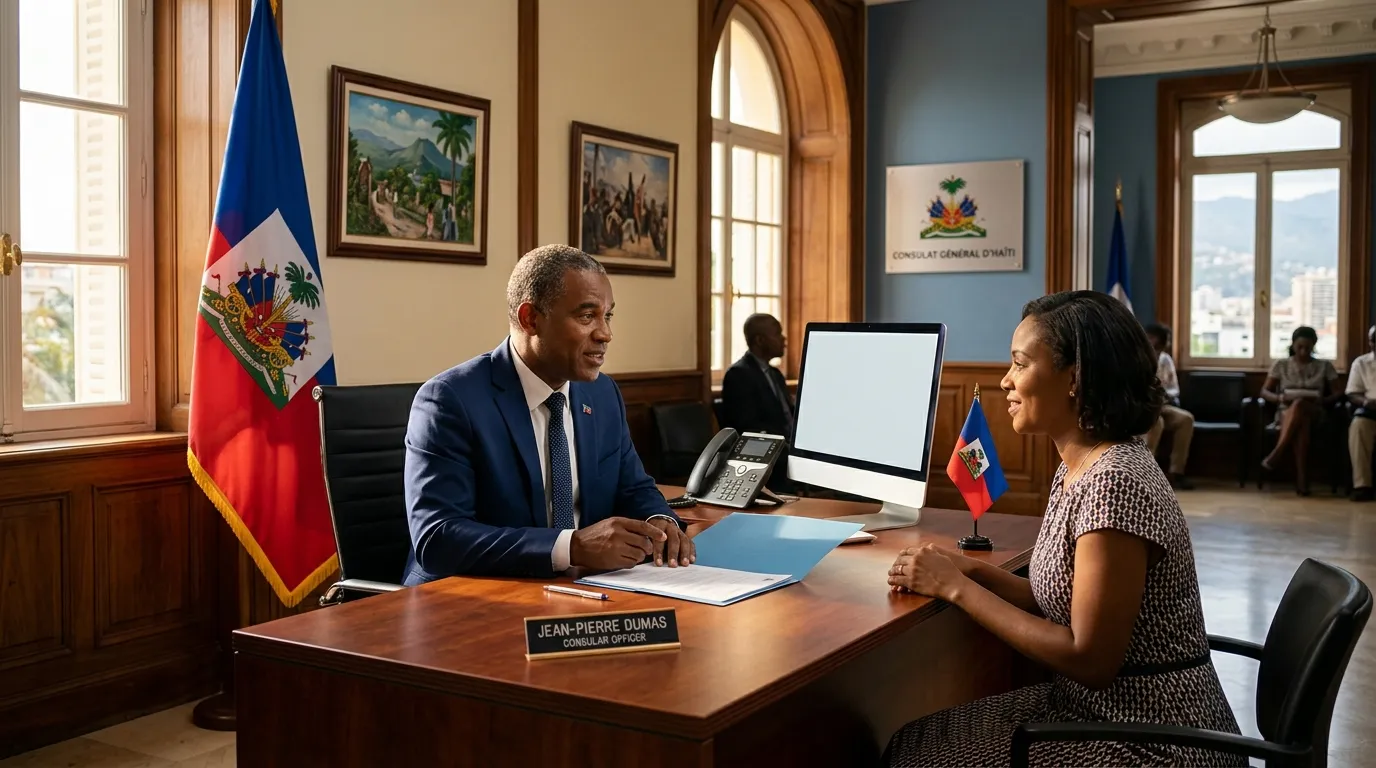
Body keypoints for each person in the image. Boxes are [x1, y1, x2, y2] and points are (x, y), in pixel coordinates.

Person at [882, 291, 1242, 767]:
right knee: (912, 739)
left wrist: (956, 590)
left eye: (1019, 364)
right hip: (1090, 711)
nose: (1006, 381)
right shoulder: (1080, 465)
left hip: (1151, 736)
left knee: (916, 755)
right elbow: (1051, 598)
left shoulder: (1114, 481)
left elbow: (1089, 659)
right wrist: (965, 569)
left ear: (1075, 378)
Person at [401, 245, 694, 584]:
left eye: (607, 315)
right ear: (531, 319)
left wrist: (659, 520)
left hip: (578, 591)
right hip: (466, 597)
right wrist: (570, 547)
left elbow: (633, 486)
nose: (605, 334)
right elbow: (438, 537)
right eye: (587, 316)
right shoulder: (450, 400)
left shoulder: (602, 394)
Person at [1259, 326, 1341, 496]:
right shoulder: (1281, 365)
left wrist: (1322, 400)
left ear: (1314, 346)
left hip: (1316, 412)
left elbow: (1339, 392)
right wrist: (1281, 398)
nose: (1303, 352)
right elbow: (1264, 392)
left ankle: (1277, 453)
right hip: (1285, 412)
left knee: (1300, 406)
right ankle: (1302, 482)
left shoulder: (1324, 366)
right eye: (1300, 347)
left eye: (1308, 347)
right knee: (1300, 420)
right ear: (1293, 345)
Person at [719, 313, 795, 493]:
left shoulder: (775, 374)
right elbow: (747, 425)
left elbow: (790, 414)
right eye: (777, 333)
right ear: (760, 340)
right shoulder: (739, 375)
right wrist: (785, 443)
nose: (784, 339)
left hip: (788, 444)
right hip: (767, 450)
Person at [1141, 323, 1195, 490]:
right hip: (1142, 407)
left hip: (1163, 404)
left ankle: (1176, 473)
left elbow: (1173, 389)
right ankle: (1146, 474)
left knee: (1186, 419)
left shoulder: (1165, 360)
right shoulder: (1134, 357)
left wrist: (1164, 396)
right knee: (1156, 423)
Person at [1346, 325, 1376, 501]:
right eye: (1374, 341)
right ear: (1370, 342)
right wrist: (1365, 402)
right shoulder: (1361, 363)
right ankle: (1363, 485)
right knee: (1358, 426)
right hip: (1371, 410)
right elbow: (1352, 393)